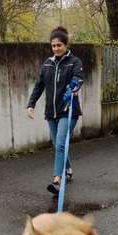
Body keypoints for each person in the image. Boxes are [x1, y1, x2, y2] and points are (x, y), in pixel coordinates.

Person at [27, 26, 84, 194]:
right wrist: (31, 104)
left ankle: (57, 181)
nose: (56, 48)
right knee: (57, 144)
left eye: (59, 45)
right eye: (53, 45)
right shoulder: (47, 64)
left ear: (66, 45)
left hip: (68, 111)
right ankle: (68, 170)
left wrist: (73, 88)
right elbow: (39, 86)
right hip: (51, 113)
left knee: (60, 144)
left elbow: (78, 79)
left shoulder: (75, 62)